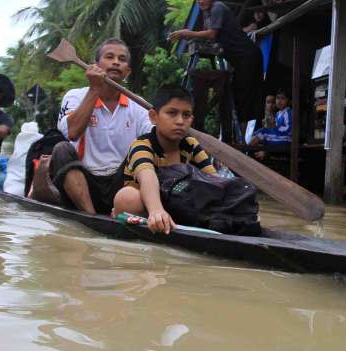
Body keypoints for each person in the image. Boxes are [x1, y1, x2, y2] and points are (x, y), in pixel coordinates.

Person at [32, 38, 152, 215]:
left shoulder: (139, 106)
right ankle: (90, 215)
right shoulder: (74, 96)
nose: (116, 62)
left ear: (127, 71)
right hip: (83, 182)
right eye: (109, 57)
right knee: (61, 149)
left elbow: (155, 139)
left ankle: (128, 211)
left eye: (122, 59)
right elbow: (72, 133)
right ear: (95, 65)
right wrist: (94, 89)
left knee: (146, 151)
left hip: (122, 183)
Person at [113, 86, 217, 234]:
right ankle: (156, 221)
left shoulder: (191, 145)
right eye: (172, 113)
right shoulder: (142, 146)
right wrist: (156, 210)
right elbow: (147, 176)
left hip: (176, 204)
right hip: (145, 207)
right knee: (127, 197)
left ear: (191, 119)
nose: (180, 121)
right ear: (153, 116)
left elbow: (213, 180)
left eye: (186, 115)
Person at [169, 0, 264, 133]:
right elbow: (209, 35)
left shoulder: (217, 8)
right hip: (238, 60)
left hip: (248, 56)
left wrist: (186, 33)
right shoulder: (207, 13)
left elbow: (211, 34)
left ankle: (246, 139)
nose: (201, 2)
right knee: (237, 98)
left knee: (246, 100)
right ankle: (237, 137)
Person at [249, 90, 291, 160]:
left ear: (288, 101)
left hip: (285, 138)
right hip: (278, 136)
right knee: (260, 132)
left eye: (283, 98)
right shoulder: (278, 114)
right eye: (278, 98)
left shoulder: (288, 112)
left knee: (263, 132)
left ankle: (246, 151)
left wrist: (274, 127)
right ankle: (250, 151)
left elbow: (289, 129)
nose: (279, 101)